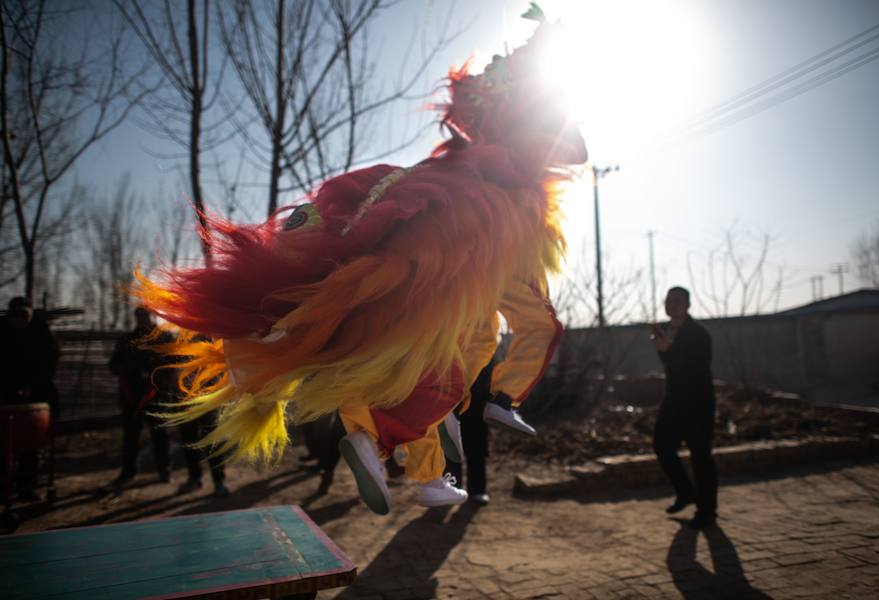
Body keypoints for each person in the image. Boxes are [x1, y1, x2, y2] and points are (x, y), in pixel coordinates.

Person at [132, 5, 585, 514]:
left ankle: (407, 442)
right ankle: (449, 424)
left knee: (417, 339)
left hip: (422, 215)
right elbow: (561, 158)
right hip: (477, 232)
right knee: (469, 337)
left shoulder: (466, 149)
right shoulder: (513, 164)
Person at [651, 286, 718, 529]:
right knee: (662, 445)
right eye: (669, 301)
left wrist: (669, 349)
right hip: (674, 399)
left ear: (687, 305)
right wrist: (664, 349)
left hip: (698, 402)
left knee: (701, 456)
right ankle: (685, 491)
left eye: (677, 301)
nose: (672, 305)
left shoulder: (699, 334)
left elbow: (696, 368)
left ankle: (707, 512)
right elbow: (670, 365)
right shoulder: (666, 330)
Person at [0, 296, 59, 501]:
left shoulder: (41, 332)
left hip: (35, 394)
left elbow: (50, 361)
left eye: (23, 315)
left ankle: (26, 487)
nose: (18, 319)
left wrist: (33, 386)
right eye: (14, 315)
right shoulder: (2, 331)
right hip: (5, 394)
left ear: (30, 314)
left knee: (29, 444)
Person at [108, 307, 172, 488]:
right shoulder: (127, 340)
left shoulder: (163, 338)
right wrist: (126, 369)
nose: (143, 319)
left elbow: (173, 365)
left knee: (160, 435)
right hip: (131, 397)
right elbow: (113, 365)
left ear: (153, 317)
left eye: (146, 316)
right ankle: (128, 471)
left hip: (156, 395)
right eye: (140, 316)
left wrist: (157, 373)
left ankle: (164, 469)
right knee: (130, 437)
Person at [446, 358, 495, 505]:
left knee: (477, 448)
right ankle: (451, 489)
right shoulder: (448, 340)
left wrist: (488, 397)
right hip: (450, 404)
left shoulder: (485, 342)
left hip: (477, 405)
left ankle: (477, 490)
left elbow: (491, 373)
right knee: (450, 448)